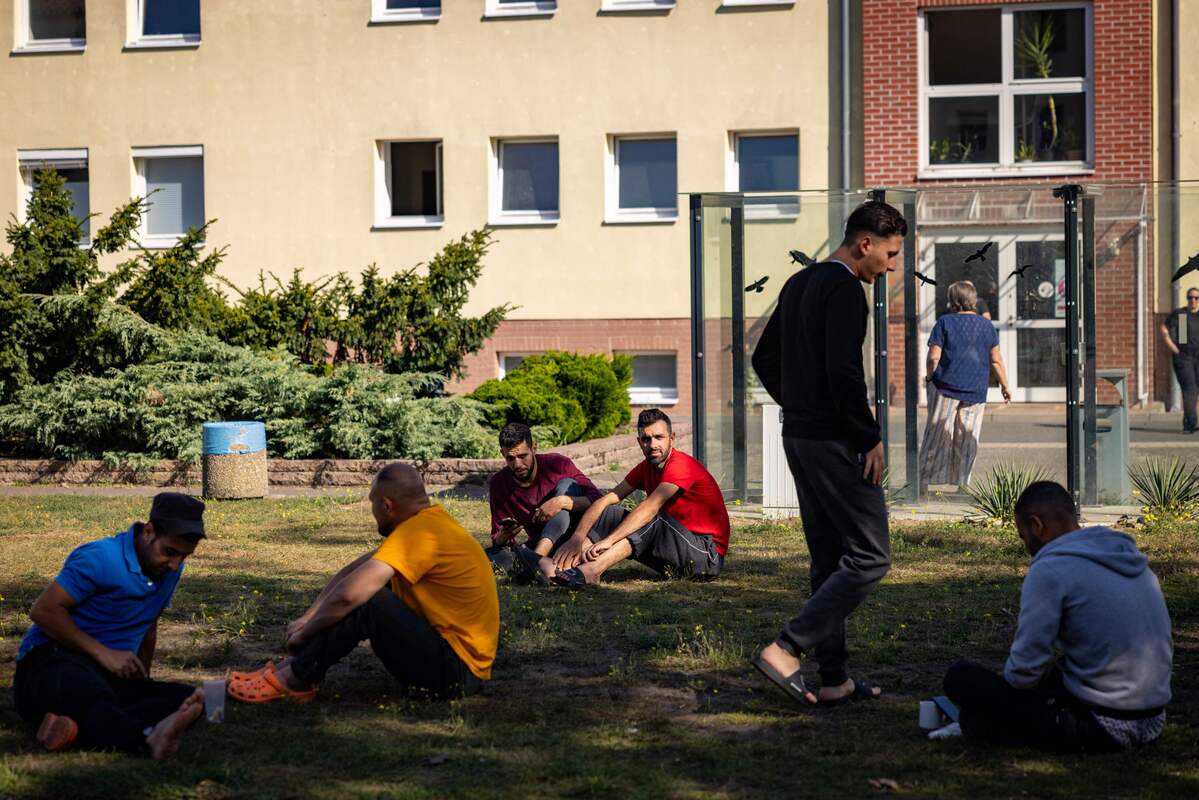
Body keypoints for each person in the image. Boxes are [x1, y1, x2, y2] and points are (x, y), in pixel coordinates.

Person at [748, 200, 906, 707]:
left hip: (799, 435)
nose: (893, 264)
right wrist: (869, 436)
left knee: (829, 559)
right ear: (866, 244)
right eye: (891, 252)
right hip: (833, 442)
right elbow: (844, 374)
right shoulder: (844, 289)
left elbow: (762, 357)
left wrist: (799, 406)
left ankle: (834, 678)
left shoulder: (800, 283)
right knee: (870, 554)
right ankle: (787, 648)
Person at [229, 463, 499, 703]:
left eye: (372, 504)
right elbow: (353, 571)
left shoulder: (421, 534)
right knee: (368, 586)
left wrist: (306, 633)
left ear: (386, 505)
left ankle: (296, 679)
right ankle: (292, 666)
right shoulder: (428, 524)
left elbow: (348, 595)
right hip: (455, 666)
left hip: (457, 674)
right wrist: (308, 617)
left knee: (368, 599)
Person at [942, 481, 1172, 752]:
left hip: (1101, 726)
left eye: (1023, 536)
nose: (1026, 547)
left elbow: (1024, 671)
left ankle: (980, 725)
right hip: (1152, 720)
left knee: (961, 678)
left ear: (1037, 525)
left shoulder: (1050, 568)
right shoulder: (1126, 556)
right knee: (1052, 676)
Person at [13, 492, 208, 759]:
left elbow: (149, 623)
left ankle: (72, 728)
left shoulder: (169, 570)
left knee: (189, 700)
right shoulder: (100, 557)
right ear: (149, 531)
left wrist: (143, 679)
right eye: (170, 552)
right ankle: (147, 740)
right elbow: (44, 611)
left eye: (184, 557)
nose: (175, 565)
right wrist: (104, 654)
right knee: (89, 692)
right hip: (51, 661)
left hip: (106, 673)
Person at [519, 408, 730, 587]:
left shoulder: (681, 465)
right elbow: (604, 500)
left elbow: (650, 508)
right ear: (639, 442)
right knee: (606, 513)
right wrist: (577, 538)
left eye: (659, 437)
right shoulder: (645, 468)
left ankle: (591, 571)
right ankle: (560, 568)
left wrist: (609, 541)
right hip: (672, 551)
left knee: (650, 518)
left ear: (672, 438)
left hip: (705, 556)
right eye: (646, 439)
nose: (653, 444)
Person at [919, 280, 1011, 493]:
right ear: (972, 300)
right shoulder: (986, 326)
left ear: (953, 301)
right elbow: (996, 360)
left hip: (945, 387)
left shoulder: (944, 322)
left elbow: (934, 357)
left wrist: (930, 377)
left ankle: (923, 483)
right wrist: (1004, 385)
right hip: (975, 389)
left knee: (937, 433)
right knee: (967, 436)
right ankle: (962, 485)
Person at [484, 422, 602, 580]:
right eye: (510, 458)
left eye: (522, 456)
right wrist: (503, 536)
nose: (517, 464)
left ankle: (534, 561)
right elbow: (497, 540)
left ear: (534, 448)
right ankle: (539, 561)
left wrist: (561, 501)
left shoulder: (557, 464)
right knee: (485, 556)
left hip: (576, 537)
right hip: (540, 542)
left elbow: (598, 500)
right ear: (502, 454)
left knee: (567, 484)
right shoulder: (499, 483)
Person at [1159, 288, 1199, 433]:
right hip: (1184, 358)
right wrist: (1174, 348)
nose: (1193, 301)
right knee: (1190, 389)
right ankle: (1191, 423)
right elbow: (1165, 328)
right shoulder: (1182, 315)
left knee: (1195, 389)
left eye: (1196, 298)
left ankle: (1188, 423)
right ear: (1187, 299)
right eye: (1190, 298)